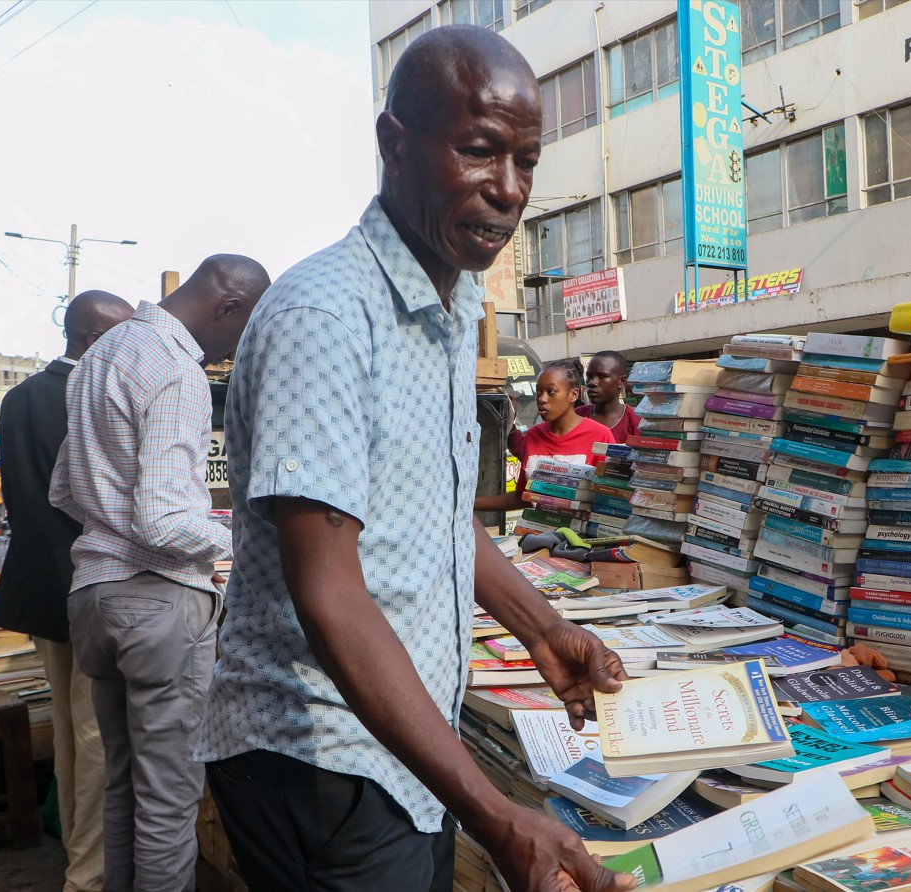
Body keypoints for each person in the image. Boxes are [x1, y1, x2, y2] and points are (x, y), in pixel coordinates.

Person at [196, 26, 634, 892]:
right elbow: (328, 592)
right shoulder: (326, 316)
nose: (507, 190)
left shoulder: (448, 302)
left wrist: (544, 628)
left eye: (526, 161)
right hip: (322, 761)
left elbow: (431, 512)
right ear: (393, 146)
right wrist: (495, 812)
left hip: (402, 754)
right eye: (477, 152)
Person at [51, 256, 269, 892]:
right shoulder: (177, 367)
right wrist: (242, 537)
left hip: (94, 594)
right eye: (244, 330)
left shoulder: (104, 351)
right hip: (157, 602)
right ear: (227, 309)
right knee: (170, 805)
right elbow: (165, 521)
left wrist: (112, 525)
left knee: (124, 785)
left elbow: (65, 486)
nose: (237, 349)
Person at [0, 290, 133, 892]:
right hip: (91, 586)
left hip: (40, 588)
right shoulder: (90, 397)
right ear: (96, 338)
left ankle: (77, 855)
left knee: (71, 731)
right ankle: (89, 874)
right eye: (124, 339)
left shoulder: (19, 397)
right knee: (97, 735)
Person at [476, 361, 615, 514]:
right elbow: (523, 496)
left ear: (573, 395)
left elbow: (612, 498)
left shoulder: (600, 436)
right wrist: (468, 504)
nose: (542, 399)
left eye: (551, 391)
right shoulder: (532, 435)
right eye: (538, 392)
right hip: (538, 534)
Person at [579, 350, 640, 443]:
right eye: (589, 376)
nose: (592, 383)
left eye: (602, 376)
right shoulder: (577, 416)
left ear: (621, 381)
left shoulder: (637, 421)